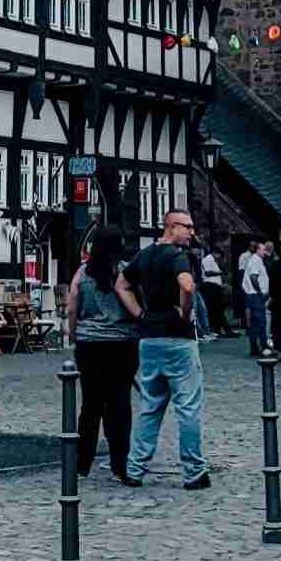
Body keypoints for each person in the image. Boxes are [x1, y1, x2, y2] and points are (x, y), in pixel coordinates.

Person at [125, 209, 209, 491]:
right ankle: (194, 472)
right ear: (171, 227)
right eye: (188, 227)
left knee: (150, 406)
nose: (191, 232)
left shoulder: (145, 255)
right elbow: (187, 285)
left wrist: (139, 314)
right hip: (178, 340)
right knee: (188, 407)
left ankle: (134, 469)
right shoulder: (176, 255)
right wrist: (186, 314)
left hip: (149, 339)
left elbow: (121, 284)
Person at [65, 224, 142, 484]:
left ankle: (82, 462)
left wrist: (75, 336)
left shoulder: (82, 273)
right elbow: (137, 305)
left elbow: (72, 307)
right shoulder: (124, 272)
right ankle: (120, 463)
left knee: (90, 404)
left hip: (90, 345)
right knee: (119, 404)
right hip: (122, 344)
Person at [238, 239, 270, 356]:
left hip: (253, 294)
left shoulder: (256, 260)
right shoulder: (255, 261)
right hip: (255, 295)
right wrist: (260, 292)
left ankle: (255, 347)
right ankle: (263, 346)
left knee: (255, 323)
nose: (265, 252)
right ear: (257, 250)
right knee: (260, 322)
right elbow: (253, 277)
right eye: (263, 249)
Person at [198, 246, 230, 337]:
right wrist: (220, 272)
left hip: (215, 287)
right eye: (219, 255)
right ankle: (219, 329)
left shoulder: (213, 260)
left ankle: (220, 329)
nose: (219, 257)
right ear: (215, 253)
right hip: (210, 286)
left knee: (217, 309)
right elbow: (208, 272)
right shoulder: (208, 259)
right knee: (215, 309)